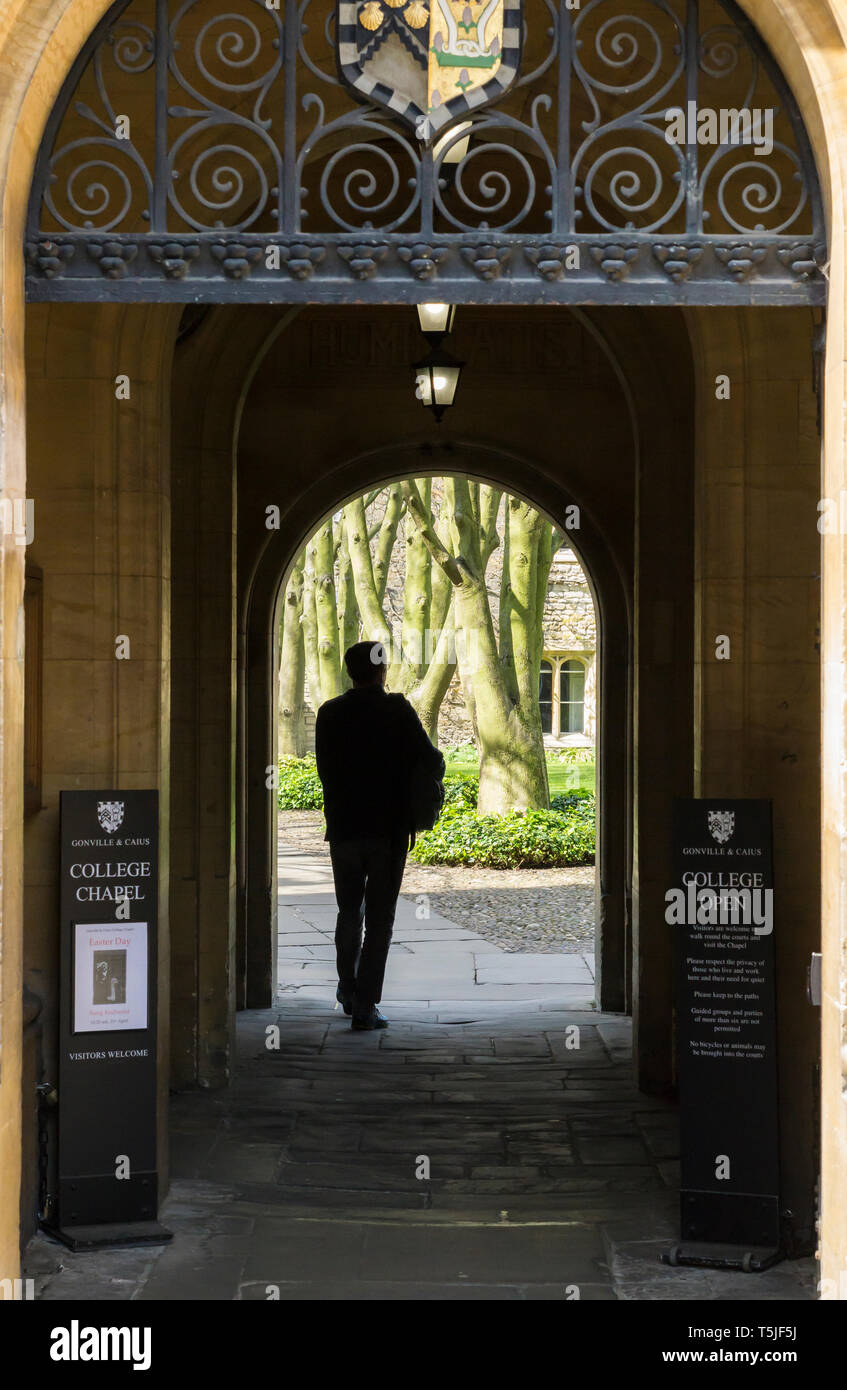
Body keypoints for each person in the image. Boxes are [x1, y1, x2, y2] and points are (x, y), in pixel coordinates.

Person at [315, 640, 445, 1031]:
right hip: (387, 832)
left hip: (344, 830)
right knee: (381, 920)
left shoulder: (329, 713)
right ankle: (365, 1006)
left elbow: (326, 772)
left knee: (349, 912)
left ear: (349, 670)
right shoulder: (396, 710)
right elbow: (432, 759)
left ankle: (347, 988)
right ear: (382, 670)